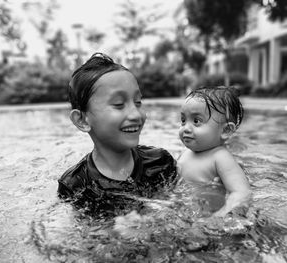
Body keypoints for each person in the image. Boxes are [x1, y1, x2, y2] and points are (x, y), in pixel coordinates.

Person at [57, 53, 178, 215]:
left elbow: (178, 211)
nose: (136, 115)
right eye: (119, 104)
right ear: (82, 120)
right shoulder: (76, 185)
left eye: (138, 102)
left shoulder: (159, 162)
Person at [177, 86, 251, 217]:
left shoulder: (220, 158)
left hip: (209, 217)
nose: (186, 128)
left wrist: (220, 216)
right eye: (183, 120)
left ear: (226, 130)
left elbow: (241, 193)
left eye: (196, 121)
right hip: (185, 214)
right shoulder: (184, 153)